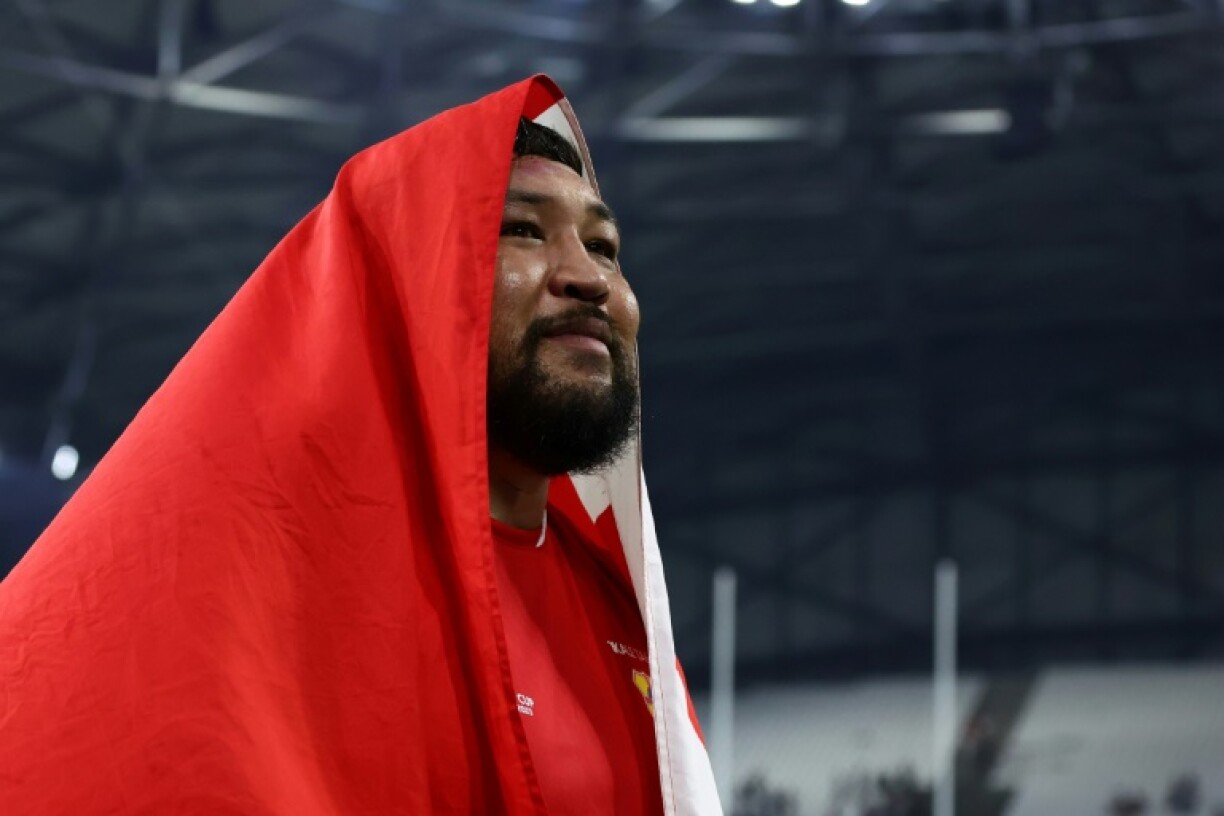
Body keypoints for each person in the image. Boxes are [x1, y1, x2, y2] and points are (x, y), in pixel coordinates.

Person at [0, 76, 721, 815]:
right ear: (415, 280)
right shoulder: (275, 589)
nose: (588, 277)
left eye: (604, 246)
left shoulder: (622, 615)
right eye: (523, 231)